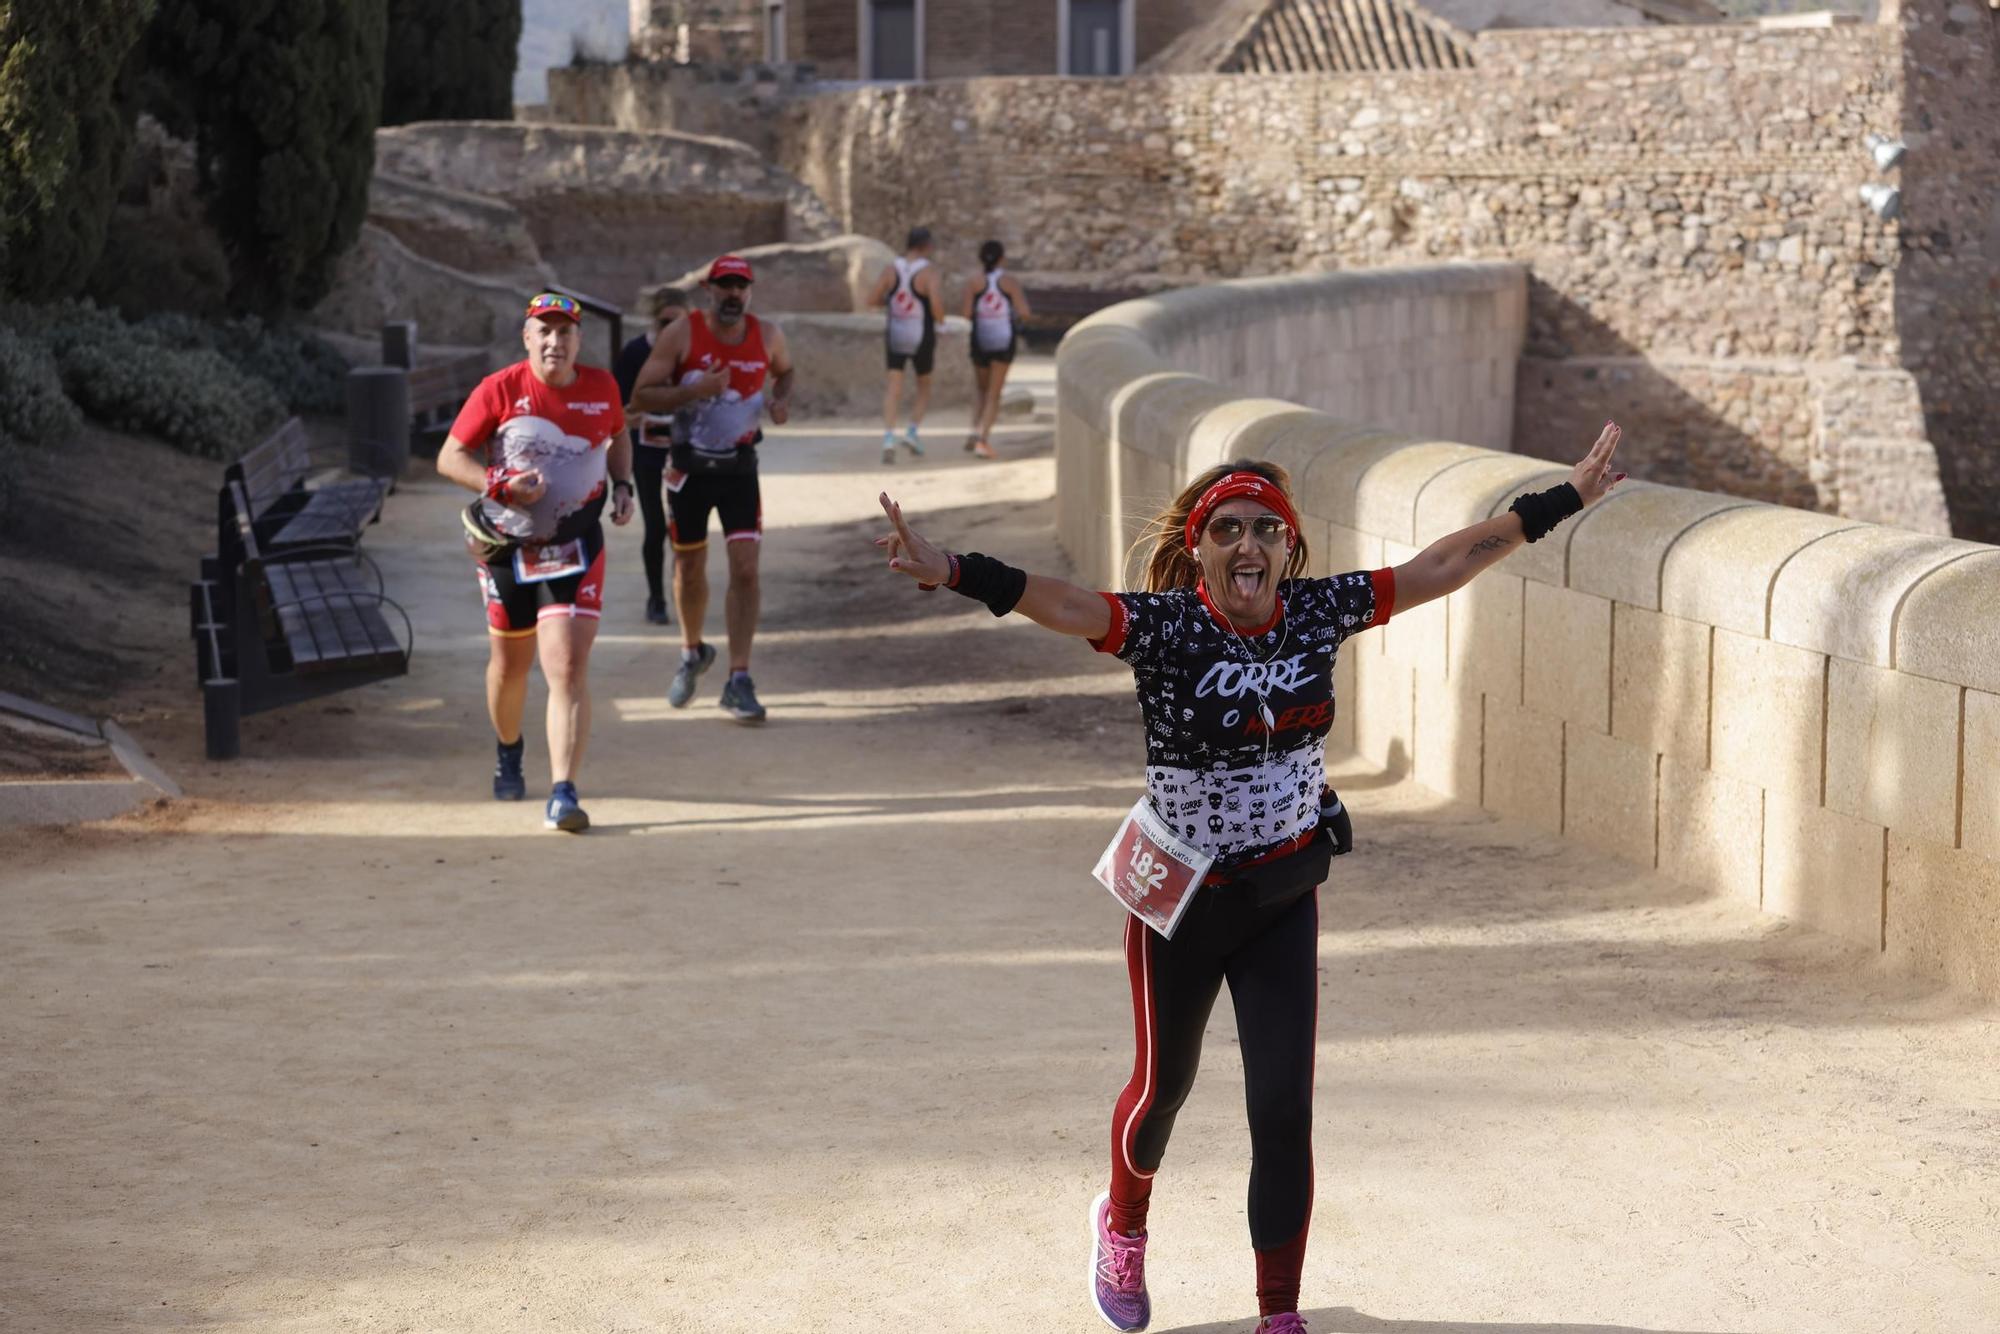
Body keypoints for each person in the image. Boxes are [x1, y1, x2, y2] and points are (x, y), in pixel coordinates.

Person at [873, 424, 1626, 1332]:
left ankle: (1279, 1315)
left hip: (1280, 898)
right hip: (1181, 903)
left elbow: (1442, 565)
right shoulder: (1165, 626)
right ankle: (1122, 1221)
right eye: (1226, 528)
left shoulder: (1317, 611)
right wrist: (951, 568)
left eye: (1264, 530)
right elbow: (1067, 604)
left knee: (1282, 1112)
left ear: (1289, 549)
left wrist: (1564, 501)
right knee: (1163, 1092)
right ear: (1198, 549)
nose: (1248, 544)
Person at [438, 292, 635, 833]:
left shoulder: (602, 388)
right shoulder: (499, 389)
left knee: (567, 665)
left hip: (575, 546)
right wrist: (500, 484)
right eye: (543, 331)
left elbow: (618, 434)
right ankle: (508, 747)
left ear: (578, 341)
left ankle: (564, 792)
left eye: (565, 332)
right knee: (509, 667)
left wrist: (622, 485)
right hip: (508, 548)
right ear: (527, 338)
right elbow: (449, 457)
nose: (555, 341)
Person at [627, 255, 795, 725]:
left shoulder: (767, 335)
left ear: (750, 292)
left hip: (740, 469)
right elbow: (641, 396)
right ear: (709, 291)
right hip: (689, 471)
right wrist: (692, 391)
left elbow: (786, 371)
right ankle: (691, 651)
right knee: (688, 566)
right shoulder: (681, 334)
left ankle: (739, 678)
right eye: (724, 286)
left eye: (740, 287)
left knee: (745, 569)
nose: (732, 295)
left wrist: (780, 399)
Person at [613, 286, 691, 626]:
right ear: (654, 320)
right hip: (645, 450)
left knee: (684, 526)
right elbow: (619, 405)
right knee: (655, 526)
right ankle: (656, 598)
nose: (671, 329)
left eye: (680, 323)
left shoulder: (691, 351)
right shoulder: (634, 352)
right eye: (665, 322)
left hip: (685, 450)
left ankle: (683, 595)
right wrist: (638, 414)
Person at [869, 226, 941, 465]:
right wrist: (941, 319)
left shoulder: (892, 269)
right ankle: (912, 431)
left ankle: (888, 437)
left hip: (896, 332)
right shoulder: (929, 272)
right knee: (924, 385)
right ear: (927, 246)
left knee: (894, 386)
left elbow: (873, 299)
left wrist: (892, 303)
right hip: (922, 334)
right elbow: (936, 307)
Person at [962, 240, 1032, 460]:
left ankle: (974, 429)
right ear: (1002, 258)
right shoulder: (1009, 282)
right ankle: (983, 440)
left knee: (981, 390)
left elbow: (965, 313)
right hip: (1003, 341)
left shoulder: (974, 282)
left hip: (980, 340)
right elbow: (1024, 312)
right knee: (994, 393)